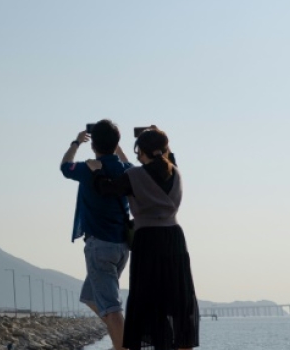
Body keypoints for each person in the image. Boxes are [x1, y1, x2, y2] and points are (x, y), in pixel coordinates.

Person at [93, 128, 199, 350]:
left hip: (148, 240)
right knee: (178, 297)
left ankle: (156, 344)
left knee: (148, 298)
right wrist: (155, 134)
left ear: (140, 151)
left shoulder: (135, 176)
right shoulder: (176, 173)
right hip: (174, 238)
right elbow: (168, 157)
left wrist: (97, 169)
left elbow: (106, 189)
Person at [60, 119, 133, 350]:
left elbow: (65, 166)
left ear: (93, 145)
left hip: (99, 246)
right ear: (116, 143)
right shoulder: (127, 171)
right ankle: (119, 337)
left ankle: (123, 344)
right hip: (121, 247)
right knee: (90, 297)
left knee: (111, 307)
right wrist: (117, 148)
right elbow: (126, 162)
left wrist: (76, 142)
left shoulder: (88, 168)